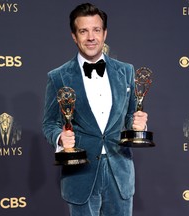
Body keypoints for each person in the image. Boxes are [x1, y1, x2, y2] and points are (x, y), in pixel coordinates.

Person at [42, 3, 148, 216]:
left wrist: (138, 125)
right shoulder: (58, 76)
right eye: (83, 31)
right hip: (80, 175)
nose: (91, 37)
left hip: (119, 173)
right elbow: (49, 123)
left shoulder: (126, 71)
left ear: (105, 33)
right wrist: (60, 138)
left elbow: (128, 115)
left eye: (96, 30)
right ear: (74, 36)